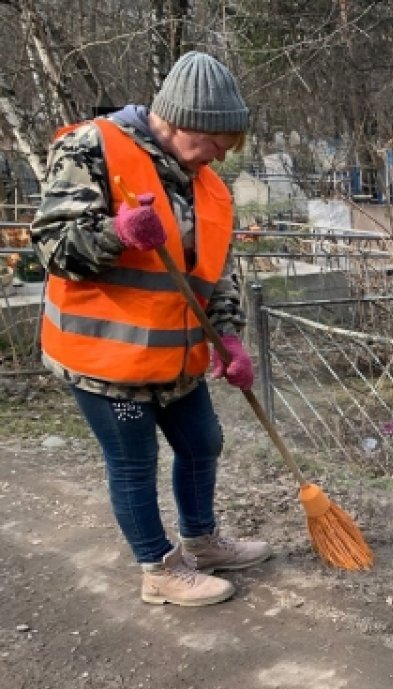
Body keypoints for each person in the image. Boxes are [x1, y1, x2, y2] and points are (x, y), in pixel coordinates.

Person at [32, 51, 272, 606]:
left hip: (176, 357)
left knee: (202, 443)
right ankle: (159, 569)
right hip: (106, 357)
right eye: (215, 140)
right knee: (134, 463)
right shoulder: (92, 148)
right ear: (179, 119)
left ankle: (202, 540)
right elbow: (53, 247)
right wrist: (117, 233)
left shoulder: (205, 183)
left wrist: (229, 333)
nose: (220, 154)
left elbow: (217, 268)